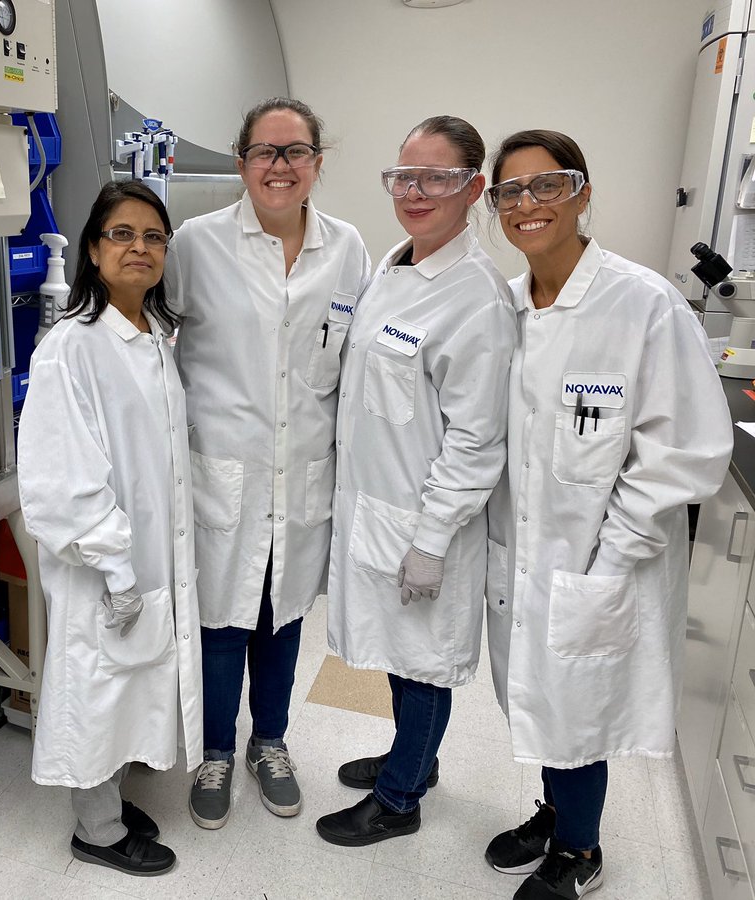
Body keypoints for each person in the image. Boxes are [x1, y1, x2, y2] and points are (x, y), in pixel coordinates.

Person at [480, 130, 732, 900]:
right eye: (511, 193)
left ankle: (580, 850)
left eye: (547, 186)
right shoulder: (506, 305)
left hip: (603, 559)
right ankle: (555, 814)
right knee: (545, 700)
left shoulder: (642, 301)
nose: (528, 205)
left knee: (576, 711)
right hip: (523, 547)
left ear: (584, 193)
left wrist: (614, 558)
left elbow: (686, 452)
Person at [163, 97, 371, 829]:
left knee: (282, 618)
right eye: (264, 152)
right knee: (222, 621)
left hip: (305, 471)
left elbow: (354, 369)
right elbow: (157, 340)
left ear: (318, 161)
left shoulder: (348, 249)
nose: (279, 167)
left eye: (295, 152)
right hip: (223, 470)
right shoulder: (196, 242)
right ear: (242, 160)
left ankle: (269, 743)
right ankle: (216, 751)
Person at [314, 116, 515, 847]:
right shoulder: (391, 269)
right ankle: (414, 759)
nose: (416, 191)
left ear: (474, 188)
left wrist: (431, 539)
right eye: (404, 176)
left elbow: (476, 437)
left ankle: (401, 799)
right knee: (400, 657)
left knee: (422, 663)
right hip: (375, 508)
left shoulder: (475, 295)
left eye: (437, 177)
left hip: (426, 523)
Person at [17, 181, 202, 877]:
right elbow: (64, 476)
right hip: (104, 564)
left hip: (142, 556)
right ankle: (95, 828)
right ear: (94, 250)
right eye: (122, 234)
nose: (140, 248)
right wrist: (115, 566)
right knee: (95, 685)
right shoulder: (73, 347)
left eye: (153, 237)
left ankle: (114, 802)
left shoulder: (153, 336)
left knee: (129, 682)